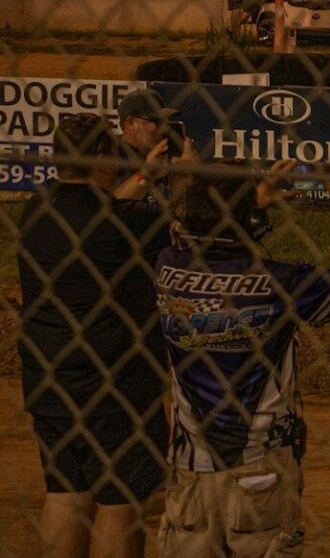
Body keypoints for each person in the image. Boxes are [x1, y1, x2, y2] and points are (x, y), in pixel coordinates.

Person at [155, 159, 330, 557]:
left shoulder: (167, 269)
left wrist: (244, 204)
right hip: (259, 470)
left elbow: (194, 233)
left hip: (191, 472)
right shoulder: (280, 281)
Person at [18, 114, 179, 558]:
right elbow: (155, 231)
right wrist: (179, 181)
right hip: (118, 388)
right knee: (120, 502)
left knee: (66, 492)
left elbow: (102, 214)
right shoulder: (130, 226)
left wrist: (146, 176)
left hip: (50, 379)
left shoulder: (36, 212)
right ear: (103, 158)